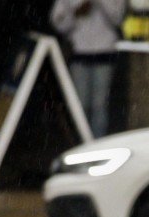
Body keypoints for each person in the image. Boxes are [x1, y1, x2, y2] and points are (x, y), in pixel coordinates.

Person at [50, 0, 126, 138]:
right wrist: (75, 13)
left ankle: (97, 146)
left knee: (99, 105)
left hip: (104, 53)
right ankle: (82, 143)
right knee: (80, 105)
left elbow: (118, 18)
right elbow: (57, 22)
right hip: (79, 53)